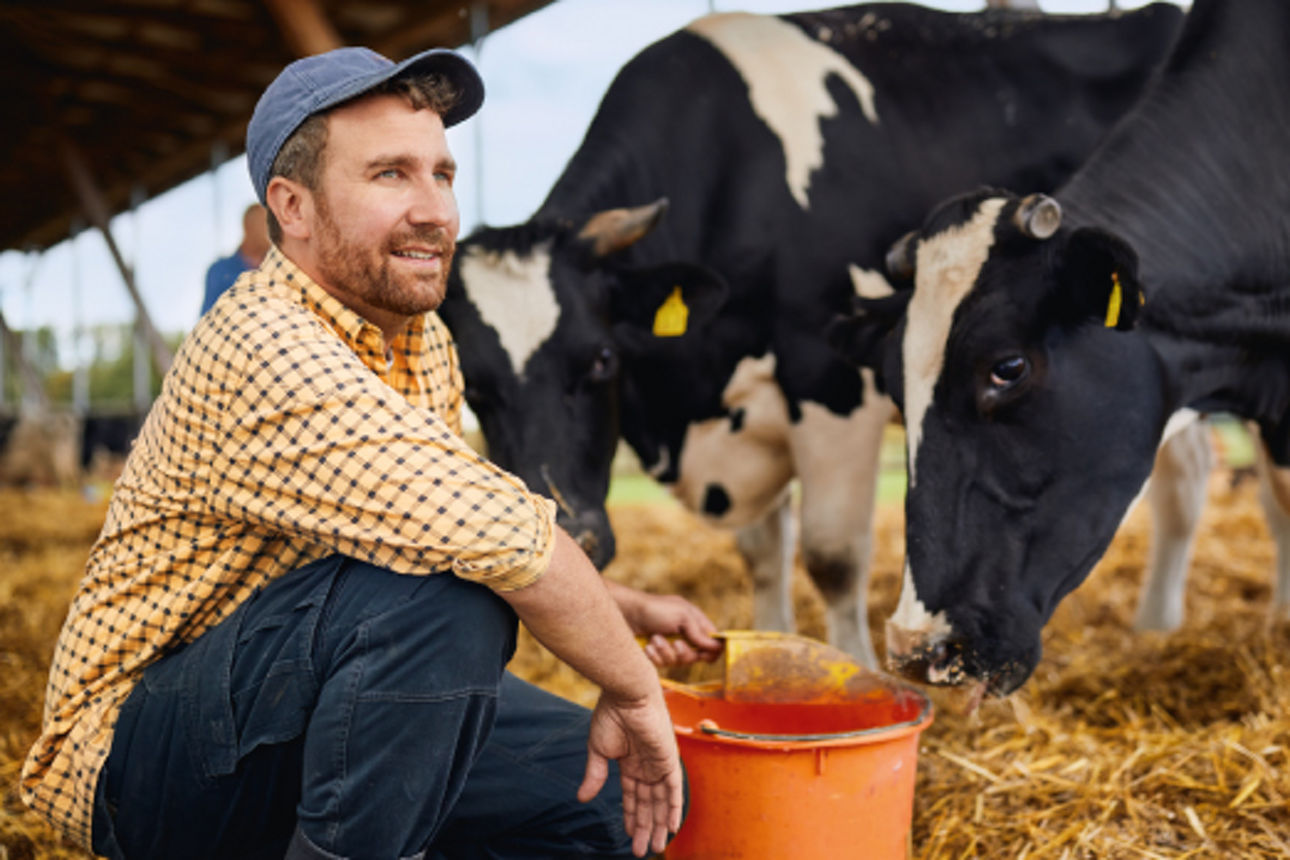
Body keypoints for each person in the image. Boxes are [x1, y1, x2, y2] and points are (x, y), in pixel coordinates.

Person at [22, 46, 723, 860]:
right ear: (293, 206)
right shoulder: (264, 344)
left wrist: (618, 608)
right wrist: (633, 688)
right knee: (443, 603)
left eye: (443, 174)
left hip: (300, 696)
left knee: (612, 806)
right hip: (138, 759)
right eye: (391, 174)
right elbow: (495, 539)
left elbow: (463, 522)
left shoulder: (422, 342)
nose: (437, 212)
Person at [201, 202, 271, 315]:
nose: (271, 234)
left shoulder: (280, 269)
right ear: (248, 227)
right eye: (265, 225)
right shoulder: (220, 271)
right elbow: (208, 317)